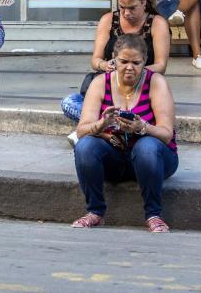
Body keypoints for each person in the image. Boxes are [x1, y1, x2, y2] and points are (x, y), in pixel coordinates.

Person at [71, 35, 178, 232]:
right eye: (123, 61)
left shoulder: (156, 82)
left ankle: (154, 215)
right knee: (85, 147)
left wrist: (142, 128)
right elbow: (82, 130)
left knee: (146, 147)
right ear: (114, 59)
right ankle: (94, 212)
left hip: (155, 160)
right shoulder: (100, 82)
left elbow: (166, 134)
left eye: (136, 63)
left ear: (145, 60)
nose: (130, 67)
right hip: (115, 157)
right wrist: (102, 124)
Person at [61, 0, 170, 145]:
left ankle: (99, 129)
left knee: (134, 114)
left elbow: (161, 66)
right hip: (111, 87)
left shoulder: (157, 23)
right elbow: (95, 60)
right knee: (68, 102)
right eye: (122, 7)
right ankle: (105, 128)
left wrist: (133, 69)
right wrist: (105, 65)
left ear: (144, 2)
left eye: (132, 8)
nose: (126, 13)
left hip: (141, 88)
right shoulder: (108, 20)